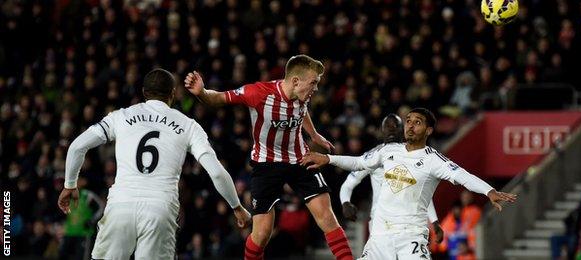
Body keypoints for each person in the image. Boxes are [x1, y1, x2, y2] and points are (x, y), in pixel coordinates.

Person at [57, 68, 251, 259]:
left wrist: (70, 184)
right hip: (160, 209)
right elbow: (216, 172)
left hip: (120, 206)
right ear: (173, 94)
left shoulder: (120, 116)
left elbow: (76, 147)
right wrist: (236, 207)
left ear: (144, 93)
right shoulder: (188, 125)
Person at [184, 54, 353, 260]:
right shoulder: (258, 93)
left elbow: (302, 111)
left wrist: (314, 134)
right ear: (295, 81)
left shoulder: (302, 96)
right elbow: (218, 98)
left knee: (327, 217)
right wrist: (201, 92)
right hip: (267, 164)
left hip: (300, 159)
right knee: (262, 233)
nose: (316, 89)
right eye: (313, 83)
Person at [302, 107, 516, 259]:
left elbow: (462, 176)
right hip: (380, 235)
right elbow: (358, 163)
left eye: (417, 122)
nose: (410, 126)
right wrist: (328, 159)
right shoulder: (387, 151)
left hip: (410, 235)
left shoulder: (433, 159)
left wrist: (488, 191)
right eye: (409, 121)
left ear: (429, 130)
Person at [339, 114, 444, 243]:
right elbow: (348, 184)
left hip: (408, 223)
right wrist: (345, 202)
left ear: (403, 130)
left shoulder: (414, 157)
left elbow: (421, 193)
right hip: (380, 224)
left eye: (395, 126)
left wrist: (434, 221)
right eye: (387, 126)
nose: (391, 129)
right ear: (382, 131)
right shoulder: (373, 156)